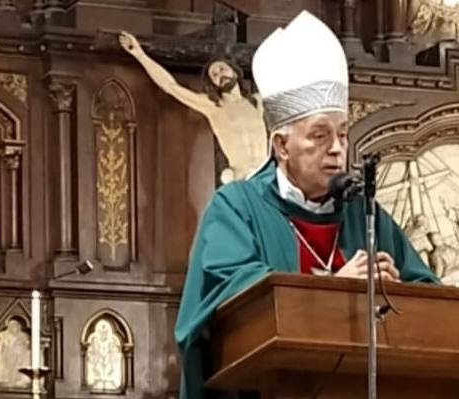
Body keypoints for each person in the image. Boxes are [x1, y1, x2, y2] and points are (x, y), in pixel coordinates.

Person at [174, 10, 439, 399]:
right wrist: (330, 290)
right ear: (281, 146)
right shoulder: (237, 208)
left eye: (343, 134)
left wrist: (393, 293)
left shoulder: (364, 215)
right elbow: (234, 307)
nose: (336, 149)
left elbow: (432, 301)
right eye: (319, 135)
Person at [118, 32, 268, 183]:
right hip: (242, 181)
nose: (220, 75)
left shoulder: (256, 101)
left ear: (234, 71)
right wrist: (140, 55)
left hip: (267, 178)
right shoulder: (213, 106)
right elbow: (170, 86)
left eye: (223, 69)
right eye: (214, 75)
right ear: (213, 84)